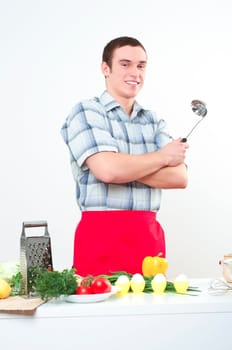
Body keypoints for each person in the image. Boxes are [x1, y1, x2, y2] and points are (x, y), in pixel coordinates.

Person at [61, 36, 189, 277]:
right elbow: (107, 171)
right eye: (125, 64)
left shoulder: (154, 120)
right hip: (100, 238)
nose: (135, 72)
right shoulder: (86, 111)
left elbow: (179, 178)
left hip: (148, 240)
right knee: (100, 311)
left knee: (149, 311)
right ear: (105, 68)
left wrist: (122, 166)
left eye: (141, 65)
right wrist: (162, 156)